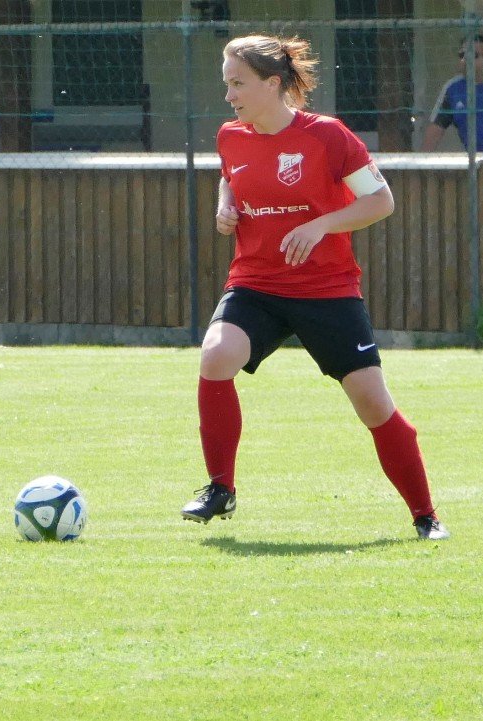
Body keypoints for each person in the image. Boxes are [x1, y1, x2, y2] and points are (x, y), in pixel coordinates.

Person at [179, 34, 449, 541]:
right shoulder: (230, 135)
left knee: (372, 402)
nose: (229, 94)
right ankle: (220, 487)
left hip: (326, 287)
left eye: (238, 83)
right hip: (256, 282)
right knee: (216, 356)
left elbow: (381, 201)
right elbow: (231, 176)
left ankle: (425, 516)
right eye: (227, 84)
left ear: (273, 83)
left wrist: (322, 224)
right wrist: (225, 205)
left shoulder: (328, 136)